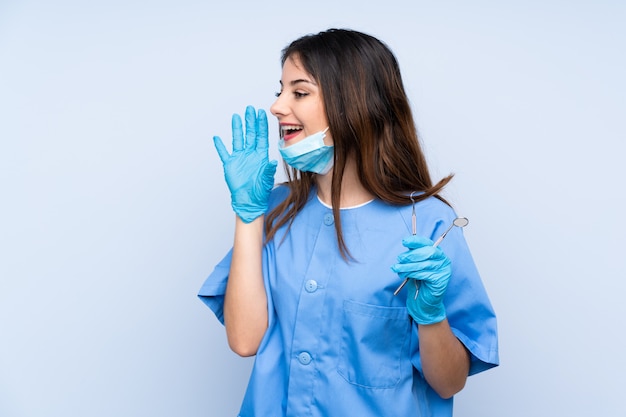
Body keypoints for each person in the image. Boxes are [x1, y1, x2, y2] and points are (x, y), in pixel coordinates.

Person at [198, 28, 499, 417]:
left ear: (353, 104)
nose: (277, 107)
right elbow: (244, 340)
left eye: (299, 92)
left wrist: (432, 316)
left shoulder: (425, 224)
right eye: (280, 91)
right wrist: (247, 216)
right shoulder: (274, 208)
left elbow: (449, 381)